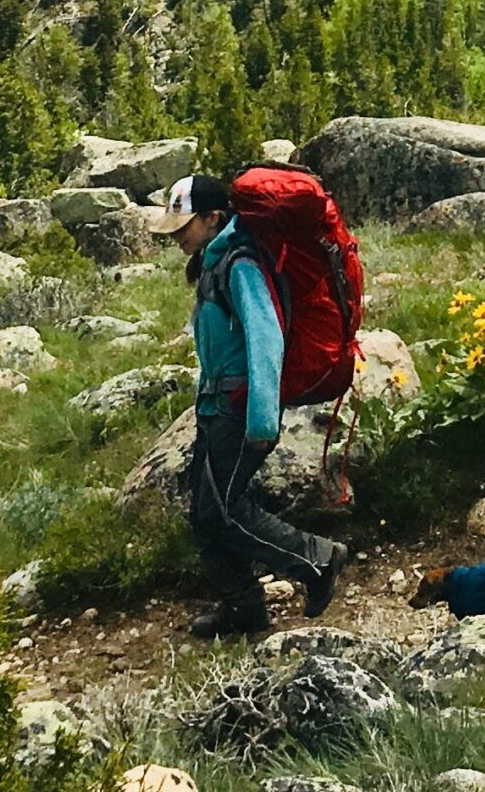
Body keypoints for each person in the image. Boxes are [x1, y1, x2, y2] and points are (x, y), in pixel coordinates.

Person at [143, 172, 349, 639]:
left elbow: (265, 339)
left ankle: (317, 559)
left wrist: (261, 417)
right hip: (220, 407)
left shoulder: (240, 264)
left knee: (223, 511)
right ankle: (244, 610)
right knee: (205, 511)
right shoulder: (216, 260)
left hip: (240, 409)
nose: (177, 234)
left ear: (215, 218)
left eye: (185, 225)